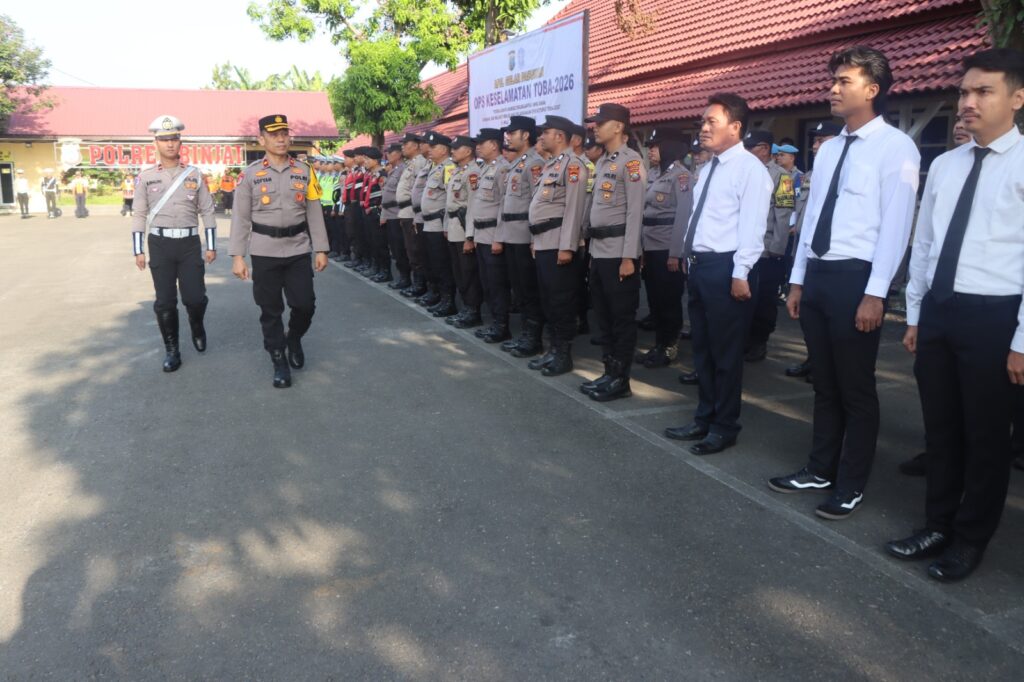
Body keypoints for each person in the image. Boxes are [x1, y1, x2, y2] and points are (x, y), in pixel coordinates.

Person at [885, 49, 1024, 581]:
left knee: (987, 436)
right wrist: (916, 314)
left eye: (982, 92)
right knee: (941, 430)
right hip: (940, 311)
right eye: (964, 92)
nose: (967, 103)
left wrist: (1020, 341)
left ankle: (970, 538)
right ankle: (937, 523)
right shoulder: (945, 164)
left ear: (1016, 97)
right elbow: (925, 244)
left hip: (995, 316)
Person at [768, 47, 920, 519]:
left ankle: (850, 482)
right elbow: (812, 218)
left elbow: (895, 227)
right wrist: (797, 281)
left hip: (858, 278)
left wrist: (877, 293)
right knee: (825, 382)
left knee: (855, 388)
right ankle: (820, 468)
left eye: (844, 81)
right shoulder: (831, 147)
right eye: (833, 80)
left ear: (872, 90)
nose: (832, 89)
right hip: (818, 276)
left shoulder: (897, 148)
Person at [662, 93, 772, 453]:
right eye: (704, 121)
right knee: (704, 349)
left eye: (713, 122)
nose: (704, 128)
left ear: (736, 127)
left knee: (726, 354)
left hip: (728, 268)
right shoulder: (708, 167)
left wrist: (740, 273)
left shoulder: (750, 170)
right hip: (701, 266)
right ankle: (704, 417)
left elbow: (753, 227)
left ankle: (725, 426)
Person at [228, 114, 330, 389]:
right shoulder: (249, 174)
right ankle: (278, 361)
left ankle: (294, 337)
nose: (281, 138)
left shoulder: (304, 170)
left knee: (305, 304)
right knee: (270, 309)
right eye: (274, 134)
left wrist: (321, 248)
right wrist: (238, 256)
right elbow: (240, 217)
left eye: (284, 133)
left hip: (298, 248)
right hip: (264, 251)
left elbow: (314, 211)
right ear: (261, 140)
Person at [130, 115, 217, 373]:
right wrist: (138, 250)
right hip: (160, 244)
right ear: (155, 143)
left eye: (174, 138)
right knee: (165, 302)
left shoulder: (194, 175)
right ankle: (172, 350)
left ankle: (197, 325)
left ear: (180, 142)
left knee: (195, 298)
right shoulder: (146, 177)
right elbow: (139, 214)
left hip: (189, 243)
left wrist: (210, 245)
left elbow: (208, 211)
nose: (169, 144)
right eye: (164, 139)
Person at [577, 103, 646, 402]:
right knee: (603, 316)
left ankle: (621, 379)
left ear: (618, 127)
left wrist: (629, 257)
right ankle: (609, 371)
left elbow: (634, 213)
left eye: (601, 123)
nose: (595, 127)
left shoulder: (631, 163)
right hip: (600, 250)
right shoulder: (604, 161)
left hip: (620, 253)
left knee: (621, 318)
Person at [527, 115, 590, 376]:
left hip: (558, 244)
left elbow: (574, 210)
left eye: (546, 132)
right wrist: (534, 240)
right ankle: (553, 350)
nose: (541, 137)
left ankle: (563, 354)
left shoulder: (573, 166)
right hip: (543, 242)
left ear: (560, 136)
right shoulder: (551, 165)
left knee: (561, 301)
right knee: (548, 300)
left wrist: (568, 246)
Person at [783, 121, 841, 381]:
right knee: (809, 317)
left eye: (822, 141)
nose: (816, 147)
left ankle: (824, 364)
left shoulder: (842, 175)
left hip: (831, 257)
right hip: (804, 249)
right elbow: (795, 209)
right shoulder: (808, 176)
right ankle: (813, 358)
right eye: (815, 142)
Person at [635, 128, 693, 368]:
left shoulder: (682, 176)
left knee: (669, 300)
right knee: (656, 300)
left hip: (667, 246)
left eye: (656, 146)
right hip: (650, 246)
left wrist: (676, 253)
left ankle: (669, 346)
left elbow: (683, 216)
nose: (651, 150)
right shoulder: (654, 174)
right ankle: (659, 344)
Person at [744, 129, 798, 362]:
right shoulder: (743, 170)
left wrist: (777, 248)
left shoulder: (781, 176)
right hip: (742, 246)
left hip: (766, 248)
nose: (746, 152)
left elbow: (783, 213)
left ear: (765, 149)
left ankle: (759, 341)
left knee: (764, 299)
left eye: (751, 148)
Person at [496, 116, 547, 357]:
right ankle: (526, 334)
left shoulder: (534, 164)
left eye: (512, 133)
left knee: (529, 290)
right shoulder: (517, 164)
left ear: (526, 135)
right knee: (519, 289)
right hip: (511, 235)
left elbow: (537, 203)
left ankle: (533, 338)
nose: (507, 136)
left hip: (525, 236)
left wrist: (534, 238)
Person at [467, 128, 511, 342]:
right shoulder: (485, 169)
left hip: (493, 233)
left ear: (494, 145)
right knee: (487, 283)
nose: (477, 147)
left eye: (481, 143)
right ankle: (494, 323)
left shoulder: (502, 169)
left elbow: (504, 205)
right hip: (481, 234)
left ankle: (502, 326)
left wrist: (498, 238)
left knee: (497, 283)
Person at [444, 135, 484, 328]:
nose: (452, 151)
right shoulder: (457, 172)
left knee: (468, 272)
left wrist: (470, 237)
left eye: (456, 148)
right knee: (458, 271)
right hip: (453, 227)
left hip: (463, 228)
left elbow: (472, 206)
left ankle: (473, 311)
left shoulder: (473, 173)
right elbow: (449, 203)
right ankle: (465, 309)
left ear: (468, 151)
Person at [420, 131, 457, 317]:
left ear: (443, 149)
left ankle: (448, 301)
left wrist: (446, 225)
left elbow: (452, 197)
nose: (430, 150)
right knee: (434, 263)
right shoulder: (435, 167)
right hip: (428, 224)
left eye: (434, 147)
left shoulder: (448, 168)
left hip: (438, 223)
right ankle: (440, 297)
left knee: (442, 265)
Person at [396, 133, 428, 297]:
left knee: (416, 250)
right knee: (410, 249)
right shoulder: (411, 163)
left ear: (415, 146)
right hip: (406, 211)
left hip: (413, 211)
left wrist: (417, 215)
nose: (402, 146)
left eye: (406, 143)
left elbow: (419, 191)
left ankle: (420, 285)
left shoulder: (420, 162)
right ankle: (417, 283)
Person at [381, 143, 412, 289]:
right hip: (390, 214)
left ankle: (406, 278)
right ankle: (402, 276)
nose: (387, 155)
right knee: (395, 248)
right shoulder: (393, 170)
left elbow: (404, 194)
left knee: (400, 249)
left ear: (398, 154)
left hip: (397, 214)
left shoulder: (403, 170)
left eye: (390, 152)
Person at [318, 157, 340, 259]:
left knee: (333, 229)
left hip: (331, 206)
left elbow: (336, 195)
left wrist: (333, 208)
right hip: (323, 205)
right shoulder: (324, 177)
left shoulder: (335, 178)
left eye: (328, 164)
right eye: (324, 164)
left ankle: (335, 249)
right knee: (326, 229)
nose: (325, 166)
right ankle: (329, 248)